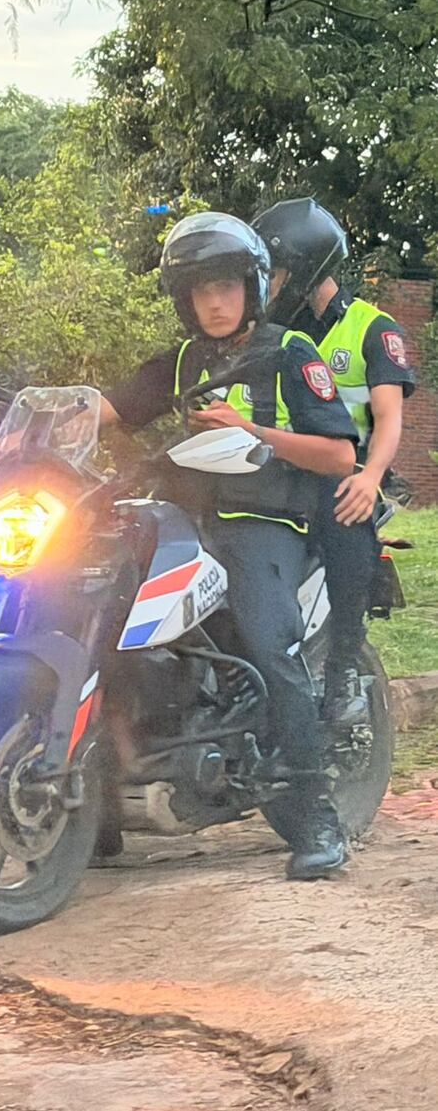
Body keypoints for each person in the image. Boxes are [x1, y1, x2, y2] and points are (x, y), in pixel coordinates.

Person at [99, 212, 358, 881]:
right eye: (198, 290)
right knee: (103, 615)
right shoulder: (181, 361)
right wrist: (33, 410)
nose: (212, 301)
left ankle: (314, 814)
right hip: (183, 524)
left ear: (252, 286)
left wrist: (253, 429)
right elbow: (112, 408)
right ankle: (94, 800)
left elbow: (336, 453)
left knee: (269, 644)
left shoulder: (289, 352)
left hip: (264, 527)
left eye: (225, 286)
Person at [252, 198, 416, 728]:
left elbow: (388, 417)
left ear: (303, 268)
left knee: (343, 511)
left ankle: (344, 665)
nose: (267, 284)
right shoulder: (275, 334)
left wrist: (370, 478)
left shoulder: (372, 327)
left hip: (346, 476)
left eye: (274, 272)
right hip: (284, 469)